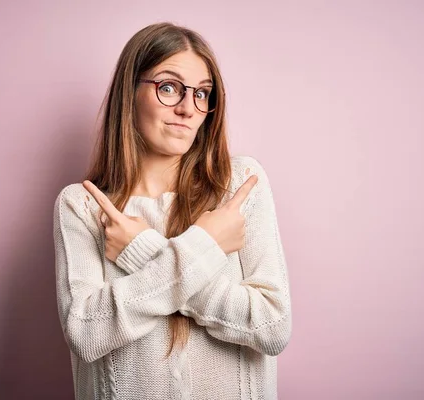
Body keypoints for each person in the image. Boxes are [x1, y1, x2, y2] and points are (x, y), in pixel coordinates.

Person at [53, 22, 292, 400]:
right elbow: (86, 332)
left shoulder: (239, 186)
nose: (187, 108)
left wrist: (141, 248)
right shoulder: (83, 206)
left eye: (202, 93)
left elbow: (272, 326)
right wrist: (207, 245)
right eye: (168, 87)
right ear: (129, 92)